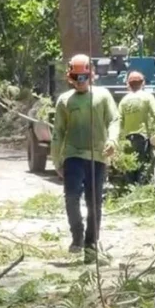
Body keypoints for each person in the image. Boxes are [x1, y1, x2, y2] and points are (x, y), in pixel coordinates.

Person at [51, 54, 120, 264]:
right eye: (76, 78)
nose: (81, 82)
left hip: (97, 157)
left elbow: (114, 119)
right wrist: (57, 161)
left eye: (84, 77)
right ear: (70, 78)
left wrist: (113, 140)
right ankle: (77, 236)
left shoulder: (103, 96)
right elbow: (58, 132)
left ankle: (91, 245)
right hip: (73, 156)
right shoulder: (65, 101)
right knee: (71, 198)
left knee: (94, 203)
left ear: (91, 76)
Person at [117, 70, 155, 185]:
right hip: (142, 137)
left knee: (129, 166)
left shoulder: (123, 101)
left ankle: (129, 191)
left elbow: (119, 121)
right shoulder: (147, 97)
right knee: (142, 166)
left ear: (128, 84)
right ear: (143, 83)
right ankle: (140, 191)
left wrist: (118, 139)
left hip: (128, 139)